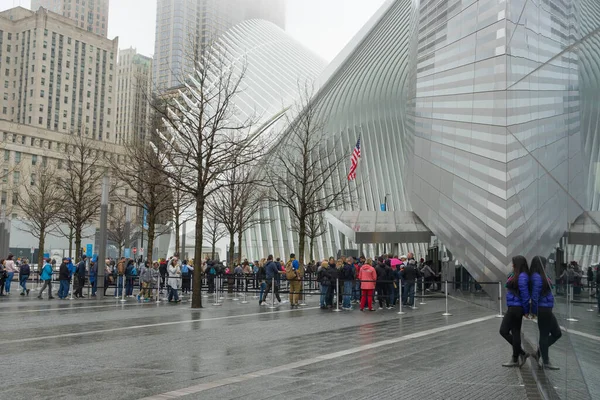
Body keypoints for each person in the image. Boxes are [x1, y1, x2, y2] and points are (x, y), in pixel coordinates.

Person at [530, 256, 561, 370]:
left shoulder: (540, 276)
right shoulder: (537, 277)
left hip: (546, 308)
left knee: (557, 333)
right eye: (544, 263)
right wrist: (534, 311)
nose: (546, 265)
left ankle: (538, 354)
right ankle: (546, 361)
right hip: (543, 309)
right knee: (544, 334)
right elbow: (535, 296)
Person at [499, 255, 530, 368]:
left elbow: (525, 295)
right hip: (514, 307)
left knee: (503, 331)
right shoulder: (517, 275)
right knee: (515, 332)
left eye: (513, 263)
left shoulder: (522, 277)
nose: (512, 265)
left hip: (515, 308)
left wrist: (526, 311)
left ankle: (520, 353)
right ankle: (516, 357)